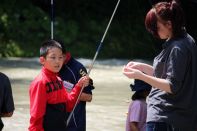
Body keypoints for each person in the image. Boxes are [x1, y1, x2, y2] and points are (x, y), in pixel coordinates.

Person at [123, 1, 197, 131]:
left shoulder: (177, 48)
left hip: (165, 117)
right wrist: (142, 67)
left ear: (169, 24)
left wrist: (140, 76)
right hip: (179, 119)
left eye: (155, 28)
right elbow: (168, 75)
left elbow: (171, 86)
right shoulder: (186, 40)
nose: (154, 33)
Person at [28, 40, 90, 131]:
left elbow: (68, 105)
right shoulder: (40, 83)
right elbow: (36, 118)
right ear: (42, 60)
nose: (58, 61)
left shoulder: (59, 80)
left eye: (60, 57)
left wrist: (79, 86)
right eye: (53, 57)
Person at [59, 42, 94, 131]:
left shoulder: (79, 69)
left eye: (59, 57)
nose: (56, 61)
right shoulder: (51, 68)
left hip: (74, 124)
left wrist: (62, 90)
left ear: (65, 54)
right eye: (52, 57)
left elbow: (89, 97)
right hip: (56, 122)